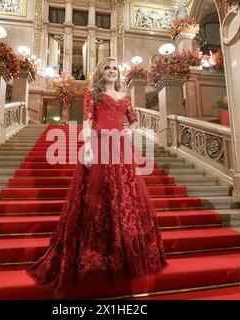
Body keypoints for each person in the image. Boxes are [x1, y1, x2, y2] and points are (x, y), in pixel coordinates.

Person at [26, 57, 167, 297]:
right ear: (101, 72)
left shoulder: (124, 98)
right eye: (108, 68)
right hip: (100, 146)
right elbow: (88, 122)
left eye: (115, 68)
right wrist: (88, 148)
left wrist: (126, 131)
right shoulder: (93, 94)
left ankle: (124, 253)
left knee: (124, 197)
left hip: (120, 149)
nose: (112, 71)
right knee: (98, 199)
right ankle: (97, 256)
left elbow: (134, 121)